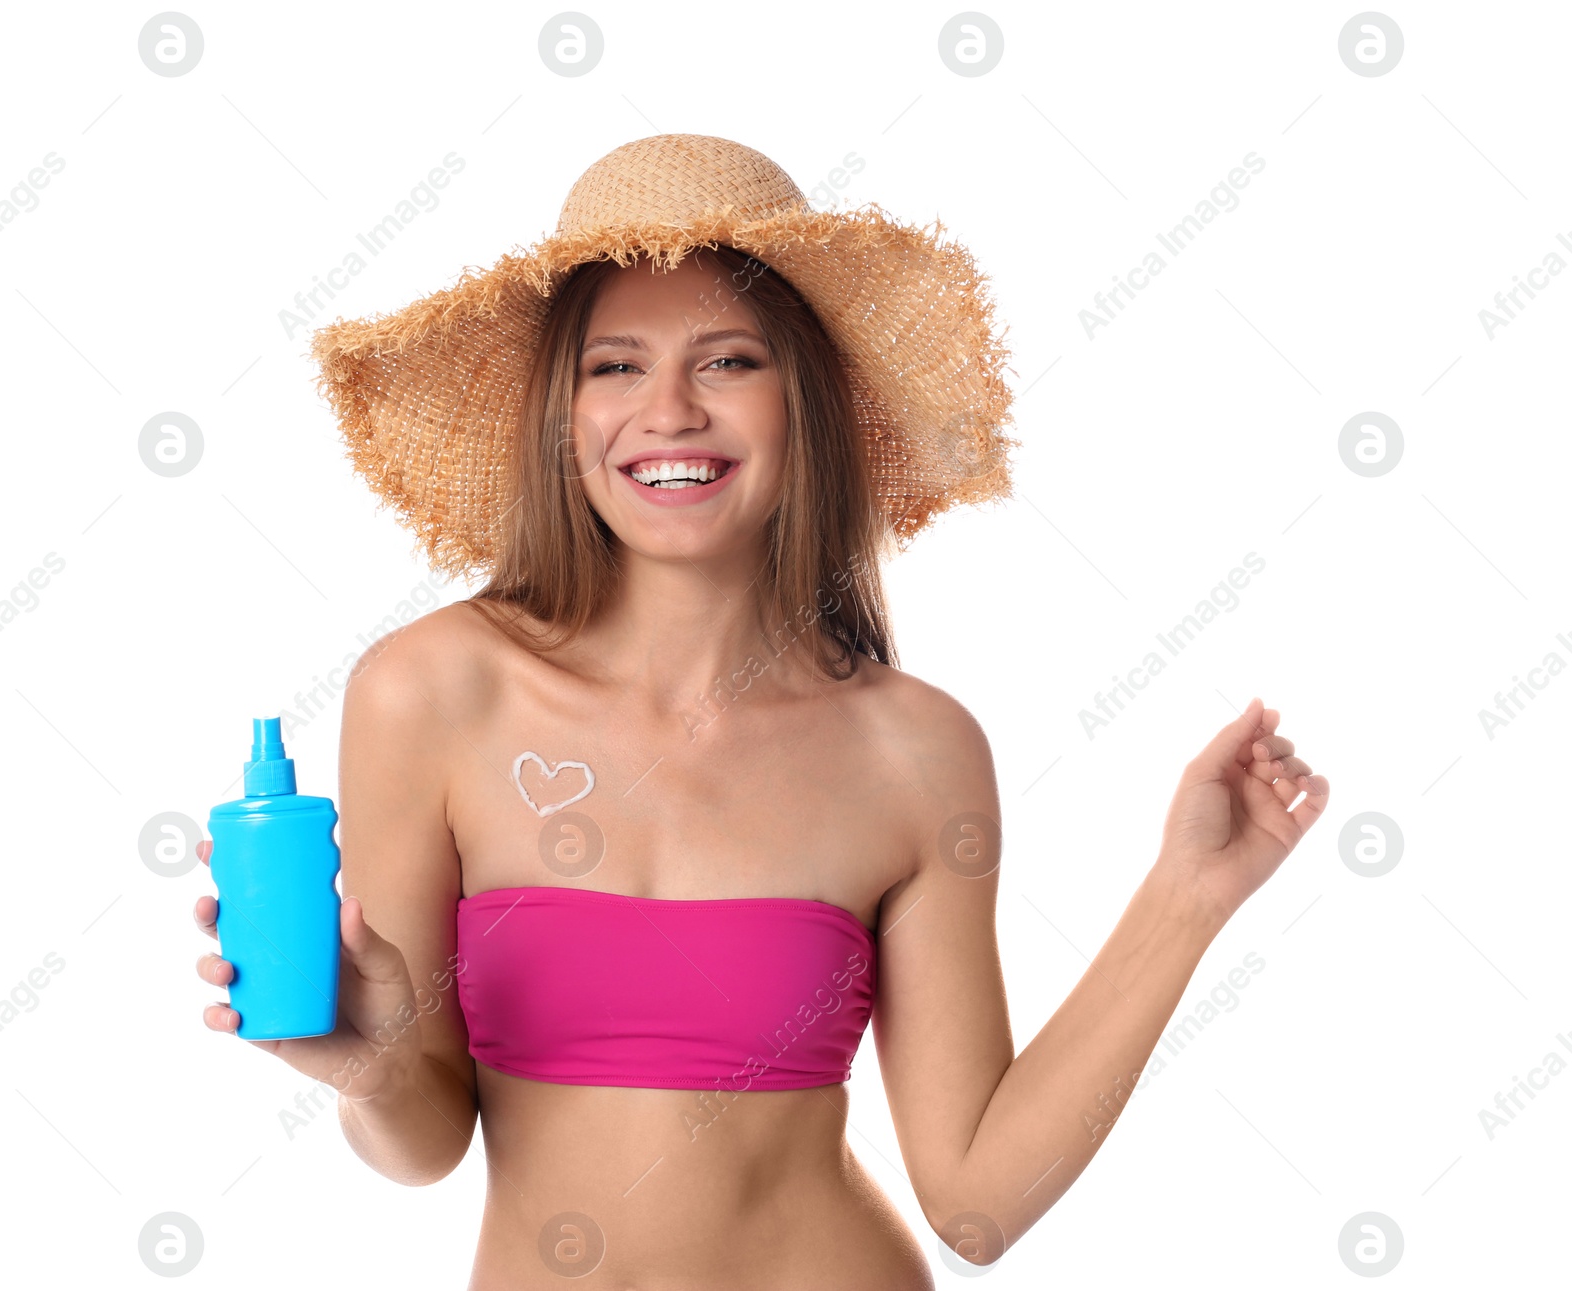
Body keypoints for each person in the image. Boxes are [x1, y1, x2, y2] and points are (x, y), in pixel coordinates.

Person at [192, 134, 1328, 1287]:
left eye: (729, 360)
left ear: (805, 401)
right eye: (615, 365)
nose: (670, 410)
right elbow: (425, 1143)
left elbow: (977, 1203)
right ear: (560, 412)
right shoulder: (432, 692)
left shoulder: (916, 749)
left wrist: (1188, 897)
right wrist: (369, 1063)